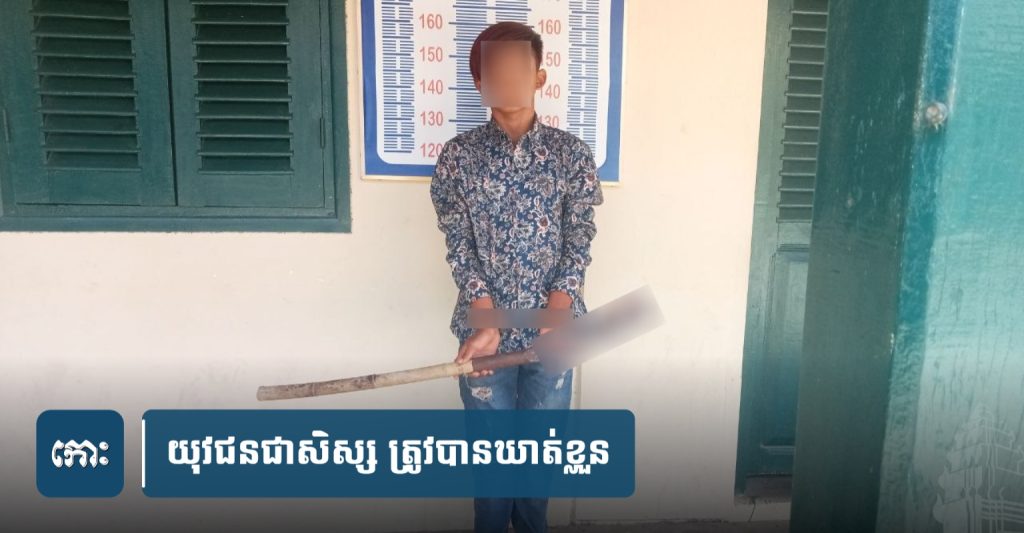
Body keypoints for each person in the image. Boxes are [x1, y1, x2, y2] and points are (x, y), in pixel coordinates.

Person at [429, 20, 605, 533]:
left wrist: (558, 309)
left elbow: (580, 237)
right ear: (479, 83)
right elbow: (459, 244)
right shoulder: (458, 158)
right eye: (494, 72)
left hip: (554, 332)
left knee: (537, 466)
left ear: (539, 77)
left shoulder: (571, 155)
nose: (506, 80)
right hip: (486, 336)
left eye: (517, 69)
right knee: (491, 471)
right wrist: (486, 321)